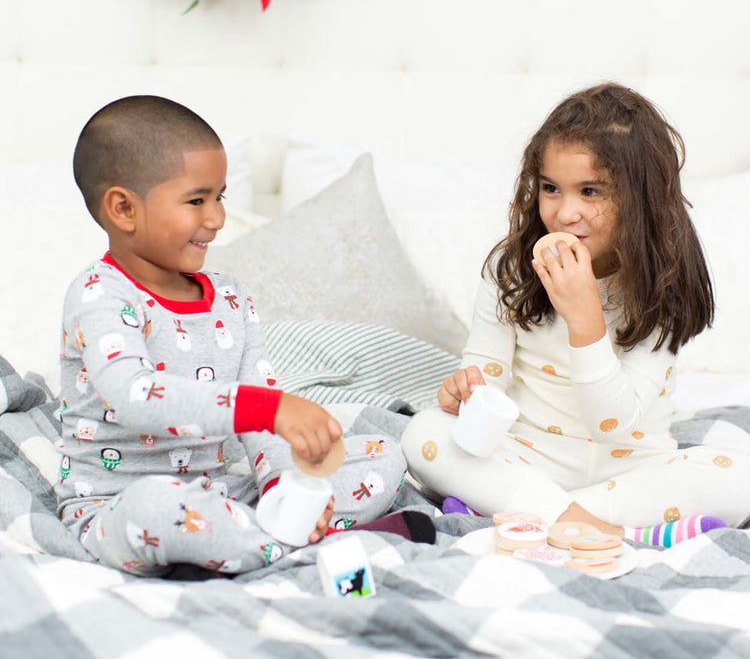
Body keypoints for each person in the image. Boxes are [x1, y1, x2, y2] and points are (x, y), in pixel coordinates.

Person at [56, 95, 406, 576]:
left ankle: (257, 539)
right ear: (123, 209)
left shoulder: (230, 298)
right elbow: (135, 395)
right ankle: (296, 545)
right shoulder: (98, 295)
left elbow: (261, 418)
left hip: (220, 496)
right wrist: (268, 408)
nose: (217, 218)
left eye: (220, 196)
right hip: (120, 508)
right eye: (197, 200)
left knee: (382, 456)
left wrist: (284, 485)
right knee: (158, 508)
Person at [402, 82, 749, 547]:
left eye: (590, 191)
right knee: (422, 434)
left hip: (631, 469)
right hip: (527, 456)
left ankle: (541, 514)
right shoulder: (512, 268)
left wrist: (585, 316)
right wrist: (468, 392)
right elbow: (487, 371)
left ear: (640, 197)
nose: (566, 212)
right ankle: (593, 526)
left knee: (739, 476)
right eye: (551, 189)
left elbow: (616, 423)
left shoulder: (661, 282)